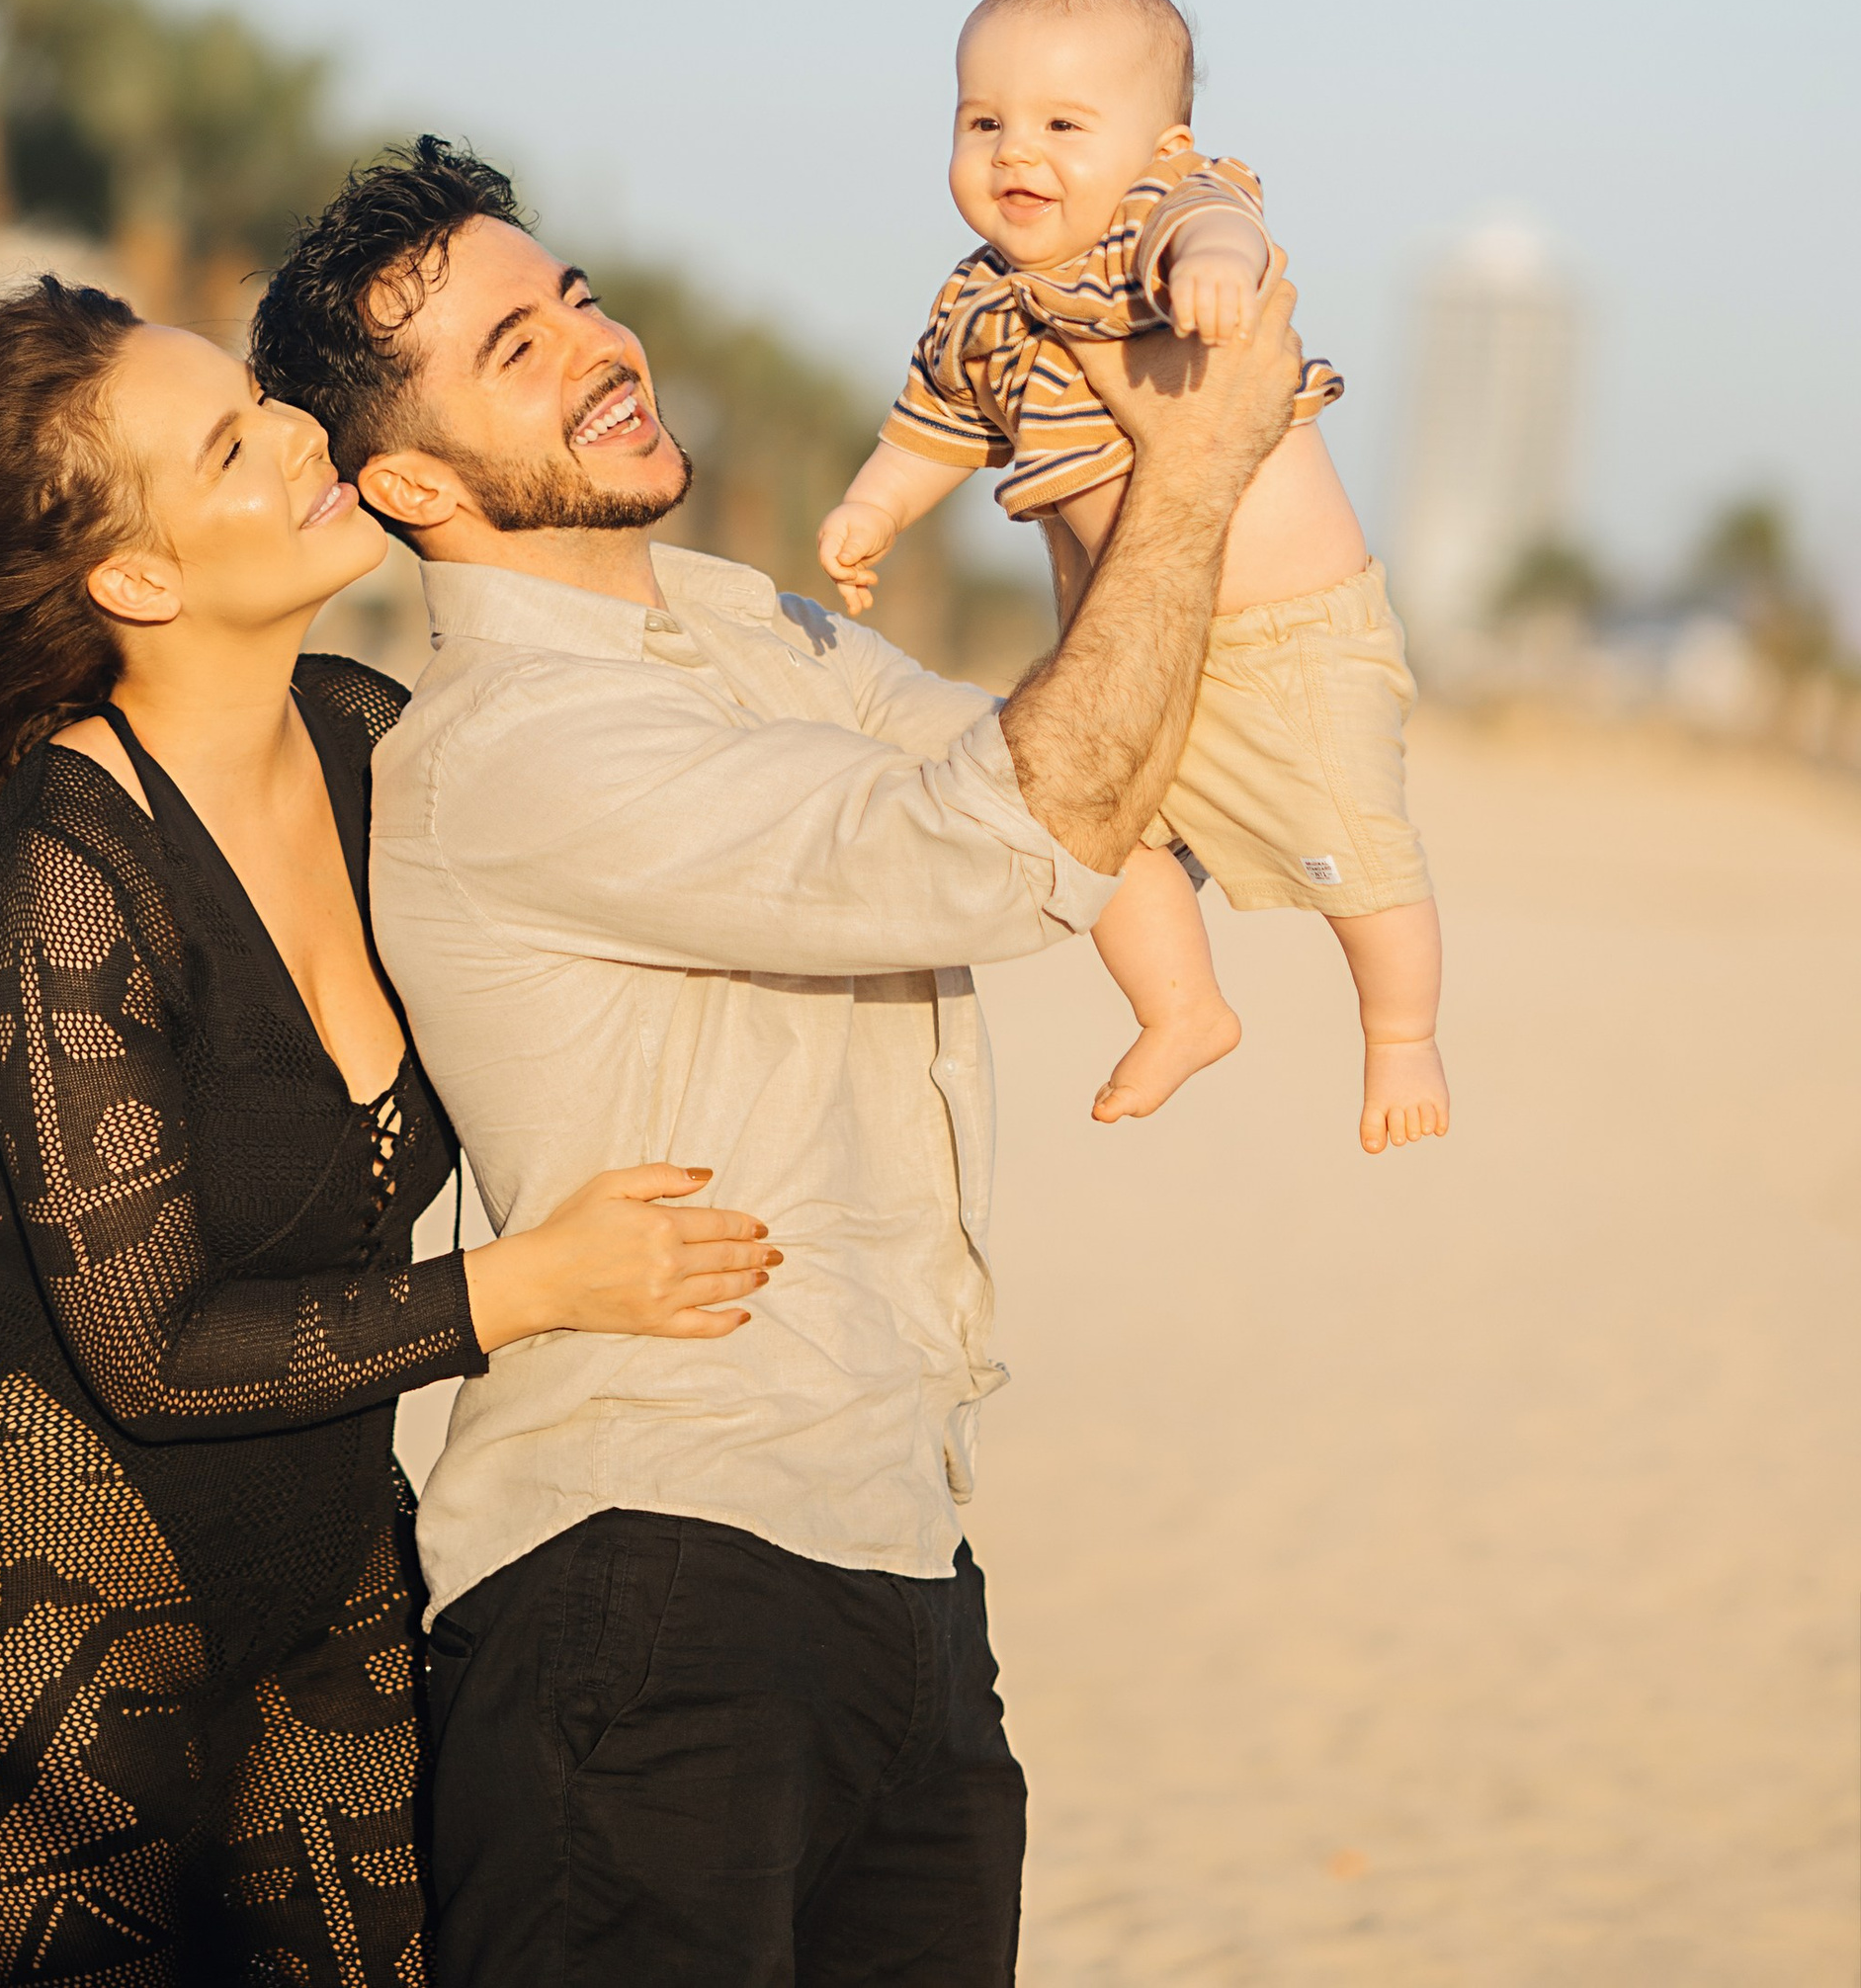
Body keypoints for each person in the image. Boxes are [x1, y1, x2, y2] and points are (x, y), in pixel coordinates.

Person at [246, 137, 1310, 1988]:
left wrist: (1129, 437)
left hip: (903, 1555)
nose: (596, 340)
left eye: (572, 292)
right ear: (406, 478)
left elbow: (1094, 768)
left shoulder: (755, 628)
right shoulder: (513, 744)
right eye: (512, 344)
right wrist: (1196, 475)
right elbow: (1004, 843)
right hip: (649, 1585)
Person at [0, 277, 778, 1988]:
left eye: (268, 402)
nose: (303, 434)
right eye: (233, 441)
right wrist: (532, 1284)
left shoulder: (366, 736)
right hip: (64, 1549)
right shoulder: (71, 865)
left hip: (330, 1540)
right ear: (139, 574)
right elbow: (153, 1347)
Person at [817, 0, 1448, 1153]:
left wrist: (1214, 262)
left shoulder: (1154, 221)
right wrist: (875, 509)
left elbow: (1219, 224)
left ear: (1159, 139)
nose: (1016, 153)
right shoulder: (975, 305)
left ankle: (1401, 1030)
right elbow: (929, 426)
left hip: (1283, 634)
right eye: (983, 121)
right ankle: (1183, 1006)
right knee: (1108, 844)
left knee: (1355, 845)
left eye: (1061, 123)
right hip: (1133, 643)